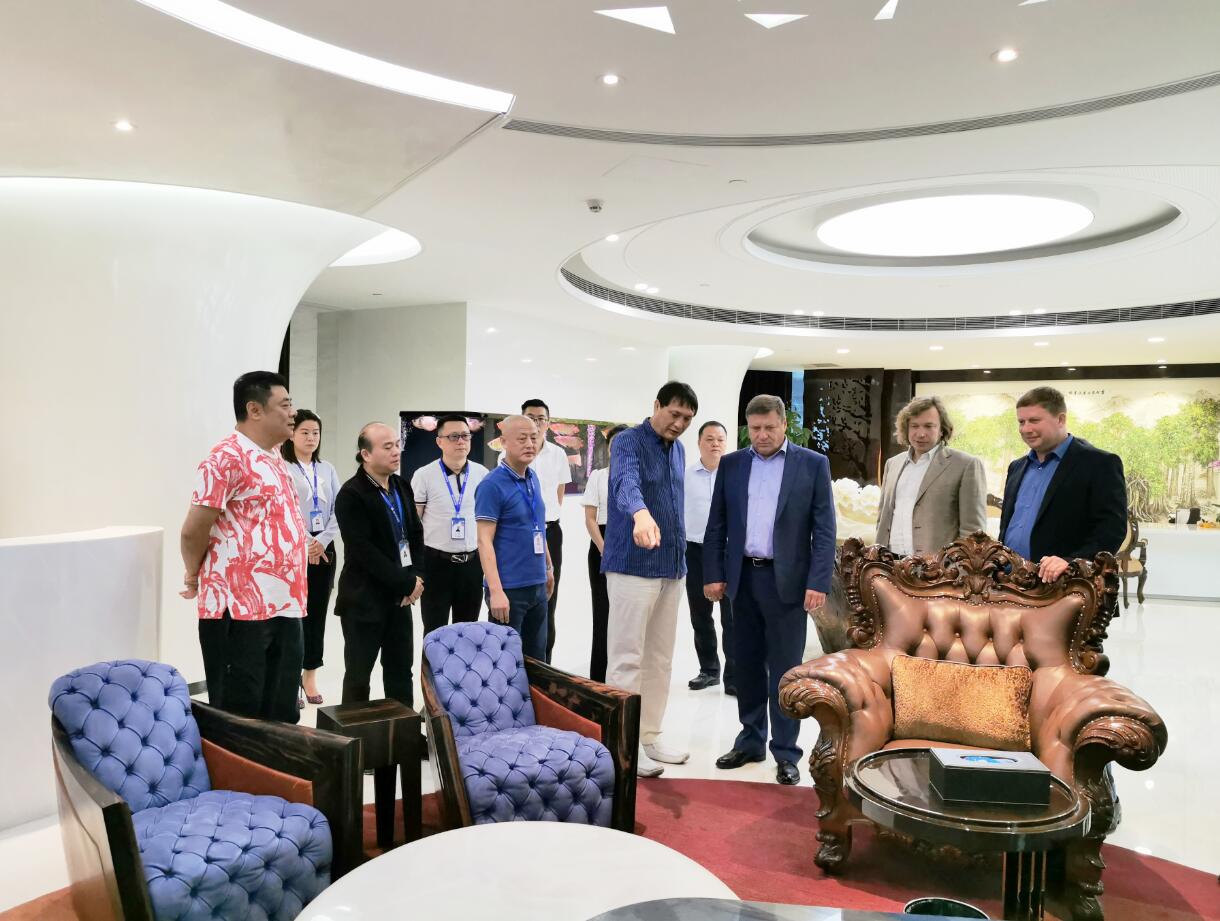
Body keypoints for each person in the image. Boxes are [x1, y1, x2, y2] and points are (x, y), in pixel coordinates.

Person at [704, 394, 835, 785]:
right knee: (745, 664)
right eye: (755, 428)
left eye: (770, 428)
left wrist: (818, 581)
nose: (762, 435)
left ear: (784, 425)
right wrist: (713, 573)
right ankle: (750, 740)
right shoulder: (731, 465)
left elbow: (824, 529)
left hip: (788, 583)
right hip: (741, 579)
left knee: (785, 669)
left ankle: (786, 751)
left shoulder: (812, 464)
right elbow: (717, 524)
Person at [179, 370, 306, 724]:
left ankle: (279, 764)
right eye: (285, 405)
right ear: (254, 410)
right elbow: (193, 531)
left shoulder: (275, 455)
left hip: (285, 604)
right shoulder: (226, 458)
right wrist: (193, 573)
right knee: (241, 716)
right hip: (239, 611)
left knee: (282, 713)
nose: (293, 413)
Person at [603, 381, 699, 778]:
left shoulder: (678, 450)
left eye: (687, 419)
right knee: (627, 658)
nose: (679, 423)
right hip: (632, 566)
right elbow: (625, 483)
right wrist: (640, 514)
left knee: (659, 660)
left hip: (672, 568)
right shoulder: (628, 441)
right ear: (656, 405)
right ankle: (622, 743)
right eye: (674, 414)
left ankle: (649, 736)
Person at [333, 422, 425, 708]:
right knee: (358, 676)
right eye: (387, 447)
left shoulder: (401, 485)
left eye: (397, 444)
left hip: (400, 598)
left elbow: (416, 534)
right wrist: (405, 583)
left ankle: (404, 732)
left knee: (400, 673)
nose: (396, 451)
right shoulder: (351, 494)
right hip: (364, 600)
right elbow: (363, 551)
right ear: (366, 454)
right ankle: (355, 733)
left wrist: (416, 577)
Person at [999, 386, 1127, 581]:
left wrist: (1073, 562)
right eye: (1021, 422)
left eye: (1034, 420)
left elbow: (1112, 529)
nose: (1026, 429)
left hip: (1065, 584)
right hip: (1010, 581)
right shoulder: (1016, 468)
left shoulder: (1099, 463)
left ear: (1061, 419)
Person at [475, 415, 555, 660]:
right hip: (509, 590)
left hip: (537, 586)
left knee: (537, 662)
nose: (530, 444)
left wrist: (548, 568)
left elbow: (538, 526)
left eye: (534, 437)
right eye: (522, 439)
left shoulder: (533, 478)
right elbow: (484, 541)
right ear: (504, 442)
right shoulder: (491, 485)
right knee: (506, 664)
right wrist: (496, 591)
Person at [875, 396, 988, 556]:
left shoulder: (966, 465)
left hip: (938, 567)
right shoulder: (892, 464)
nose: (921, 434)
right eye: (914, 426)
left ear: (942, 429)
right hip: (889, 561)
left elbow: (973, 532)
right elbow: (882, 518)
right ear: (906, 428)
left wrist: (956, 566)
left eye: (929, 426)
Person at [282, 409, 342, 706]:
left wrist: (322, 541)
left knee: (317, 614)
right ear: (291, 434)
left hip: (325, 549)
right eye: (304, 432)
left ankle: (310, 676)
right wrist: (307, 543)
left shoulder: (327, 468)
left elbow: (339, 508)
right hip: (294, 549)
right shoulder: (283, 467)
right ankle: (289, 677)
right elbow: (285, 510)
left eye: (315, 433)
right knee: (294, 614)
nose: (310, 438)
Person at [411, 414, 488, 638]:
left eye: (465, 436)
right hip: (436, 565)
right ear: (439, 441)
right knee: (435, 633)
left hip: (472, 565)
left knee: (467, 633)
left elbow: (488, 524)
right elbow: (414, 525)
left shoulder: (482, 474)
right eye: (454, 436)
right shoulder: (424, 475)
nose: (461, 441)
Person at [520, 399, 573, 663]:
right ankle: (520, 661)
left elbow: (559, 493)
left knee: (549, 596)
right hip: (521, 534)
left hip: (550, 532)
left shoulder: (558, 454)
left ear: (548, 423)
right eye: (531, 417)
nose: (537, 422)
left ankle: (545, 663)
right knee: (521, 595)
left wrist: (547, 519)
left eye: (541, 418)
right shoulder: (510, 453)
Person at [684, 420, 735, 694]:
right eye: (709, 439)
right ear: (699, 442)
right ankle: (709, 670)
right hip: (696, 551)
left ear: (726, 443)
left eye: (720, 439)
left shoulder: (736, 474)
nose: (715, 443)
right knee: (700, 614)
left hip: (729, 552)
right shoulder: (686, 476)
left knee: (732, 617)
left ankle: (734, 676)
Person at [581, 424, 628, 683]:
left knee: (627, 616)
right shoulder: (598, 476)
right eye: (614, 444)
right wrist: (604, 549)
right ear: (609, 448)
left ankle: (624, 676)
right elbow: (590, 519)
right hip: (602, 544)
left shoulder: (638, 476)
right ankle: (599, 677)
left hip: (631, 546)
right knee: (603, 613)